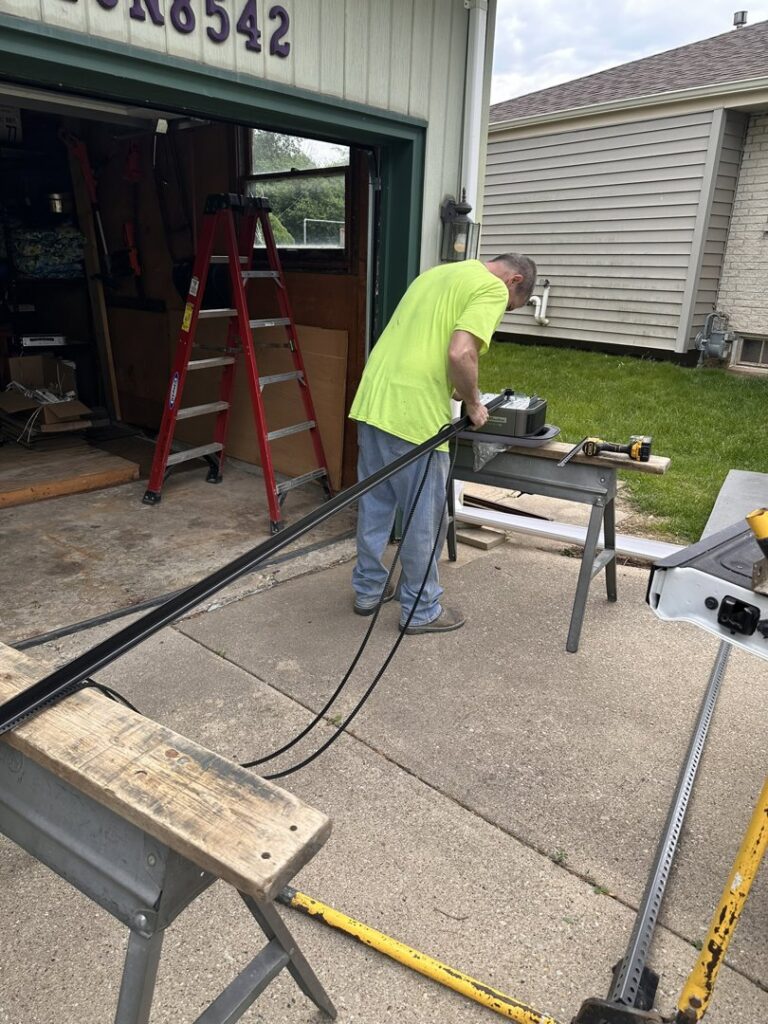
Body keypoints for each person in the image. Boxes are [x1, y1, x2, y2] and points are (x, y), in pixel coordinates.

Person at [349, 252, 537, 635]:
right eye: (510, 309)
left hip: (373, 402)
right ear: (513, 281)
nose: (504, 313)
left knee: (376, 504)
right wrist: (472, 402)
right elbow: (460, 351)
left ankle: (368, 591)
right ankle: (420, 609)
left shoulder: (440, 274)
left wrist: (455, 383)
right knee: (425, 516)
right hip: (414, 416)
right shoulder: (490, 288)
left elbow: (429, 343)